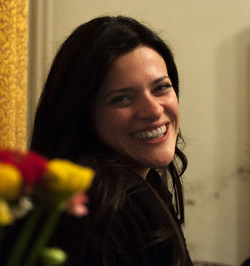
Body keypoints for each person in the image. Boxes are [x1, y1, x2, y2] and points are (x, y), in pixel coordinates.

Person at [30, 16, 193, 266]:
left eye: (161, 88)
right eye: (122, 98)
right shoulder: (102, 204)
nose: (153, 110)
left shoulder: (138, 184)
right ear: (82, 114)